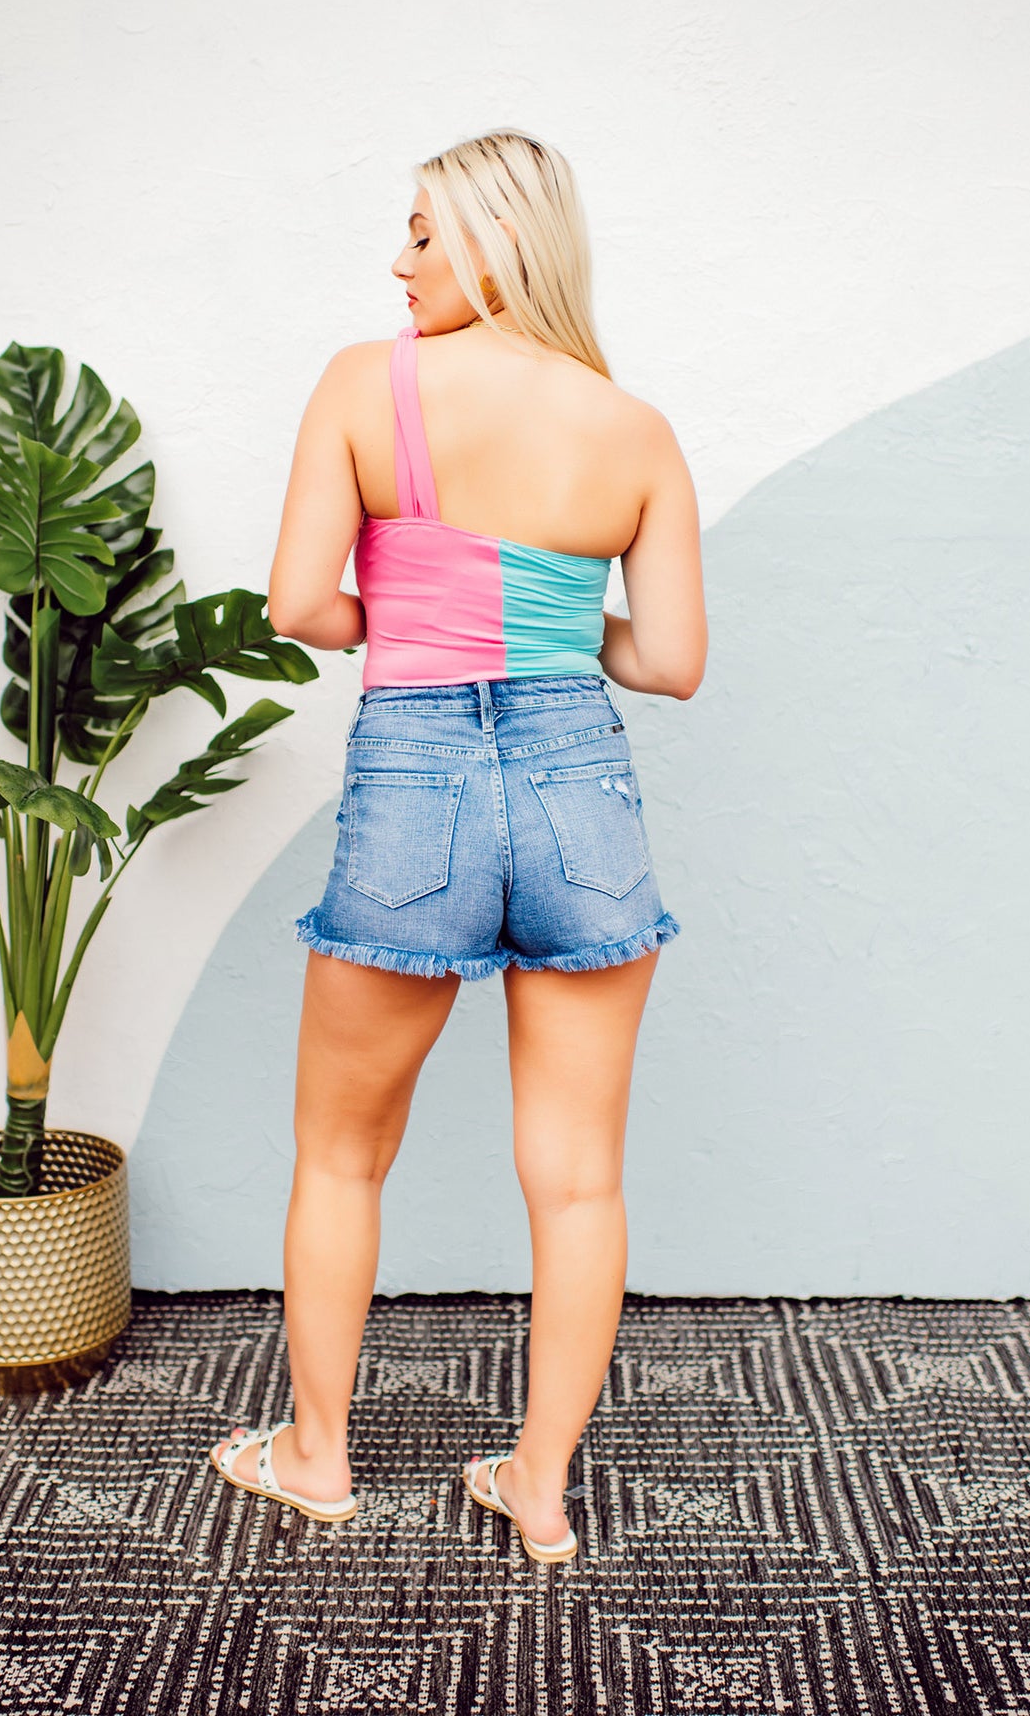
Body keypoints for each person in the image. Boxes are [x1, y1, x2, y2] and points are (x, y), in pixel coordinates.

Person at [209, 129, 707, 1564]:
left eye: (425, 233)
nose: (400, 260)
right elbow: (670, 661)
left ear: (500, 242)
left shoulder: (364, 385)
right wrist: (544, 619)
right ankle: (539, 1486)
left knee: (340, 1154)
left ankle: (317, 1455)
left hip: (417, 777)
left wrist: (429, 610)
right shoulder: (634, 429)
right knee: (580, 1176)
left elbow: (300, 606)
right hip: (577, 786)